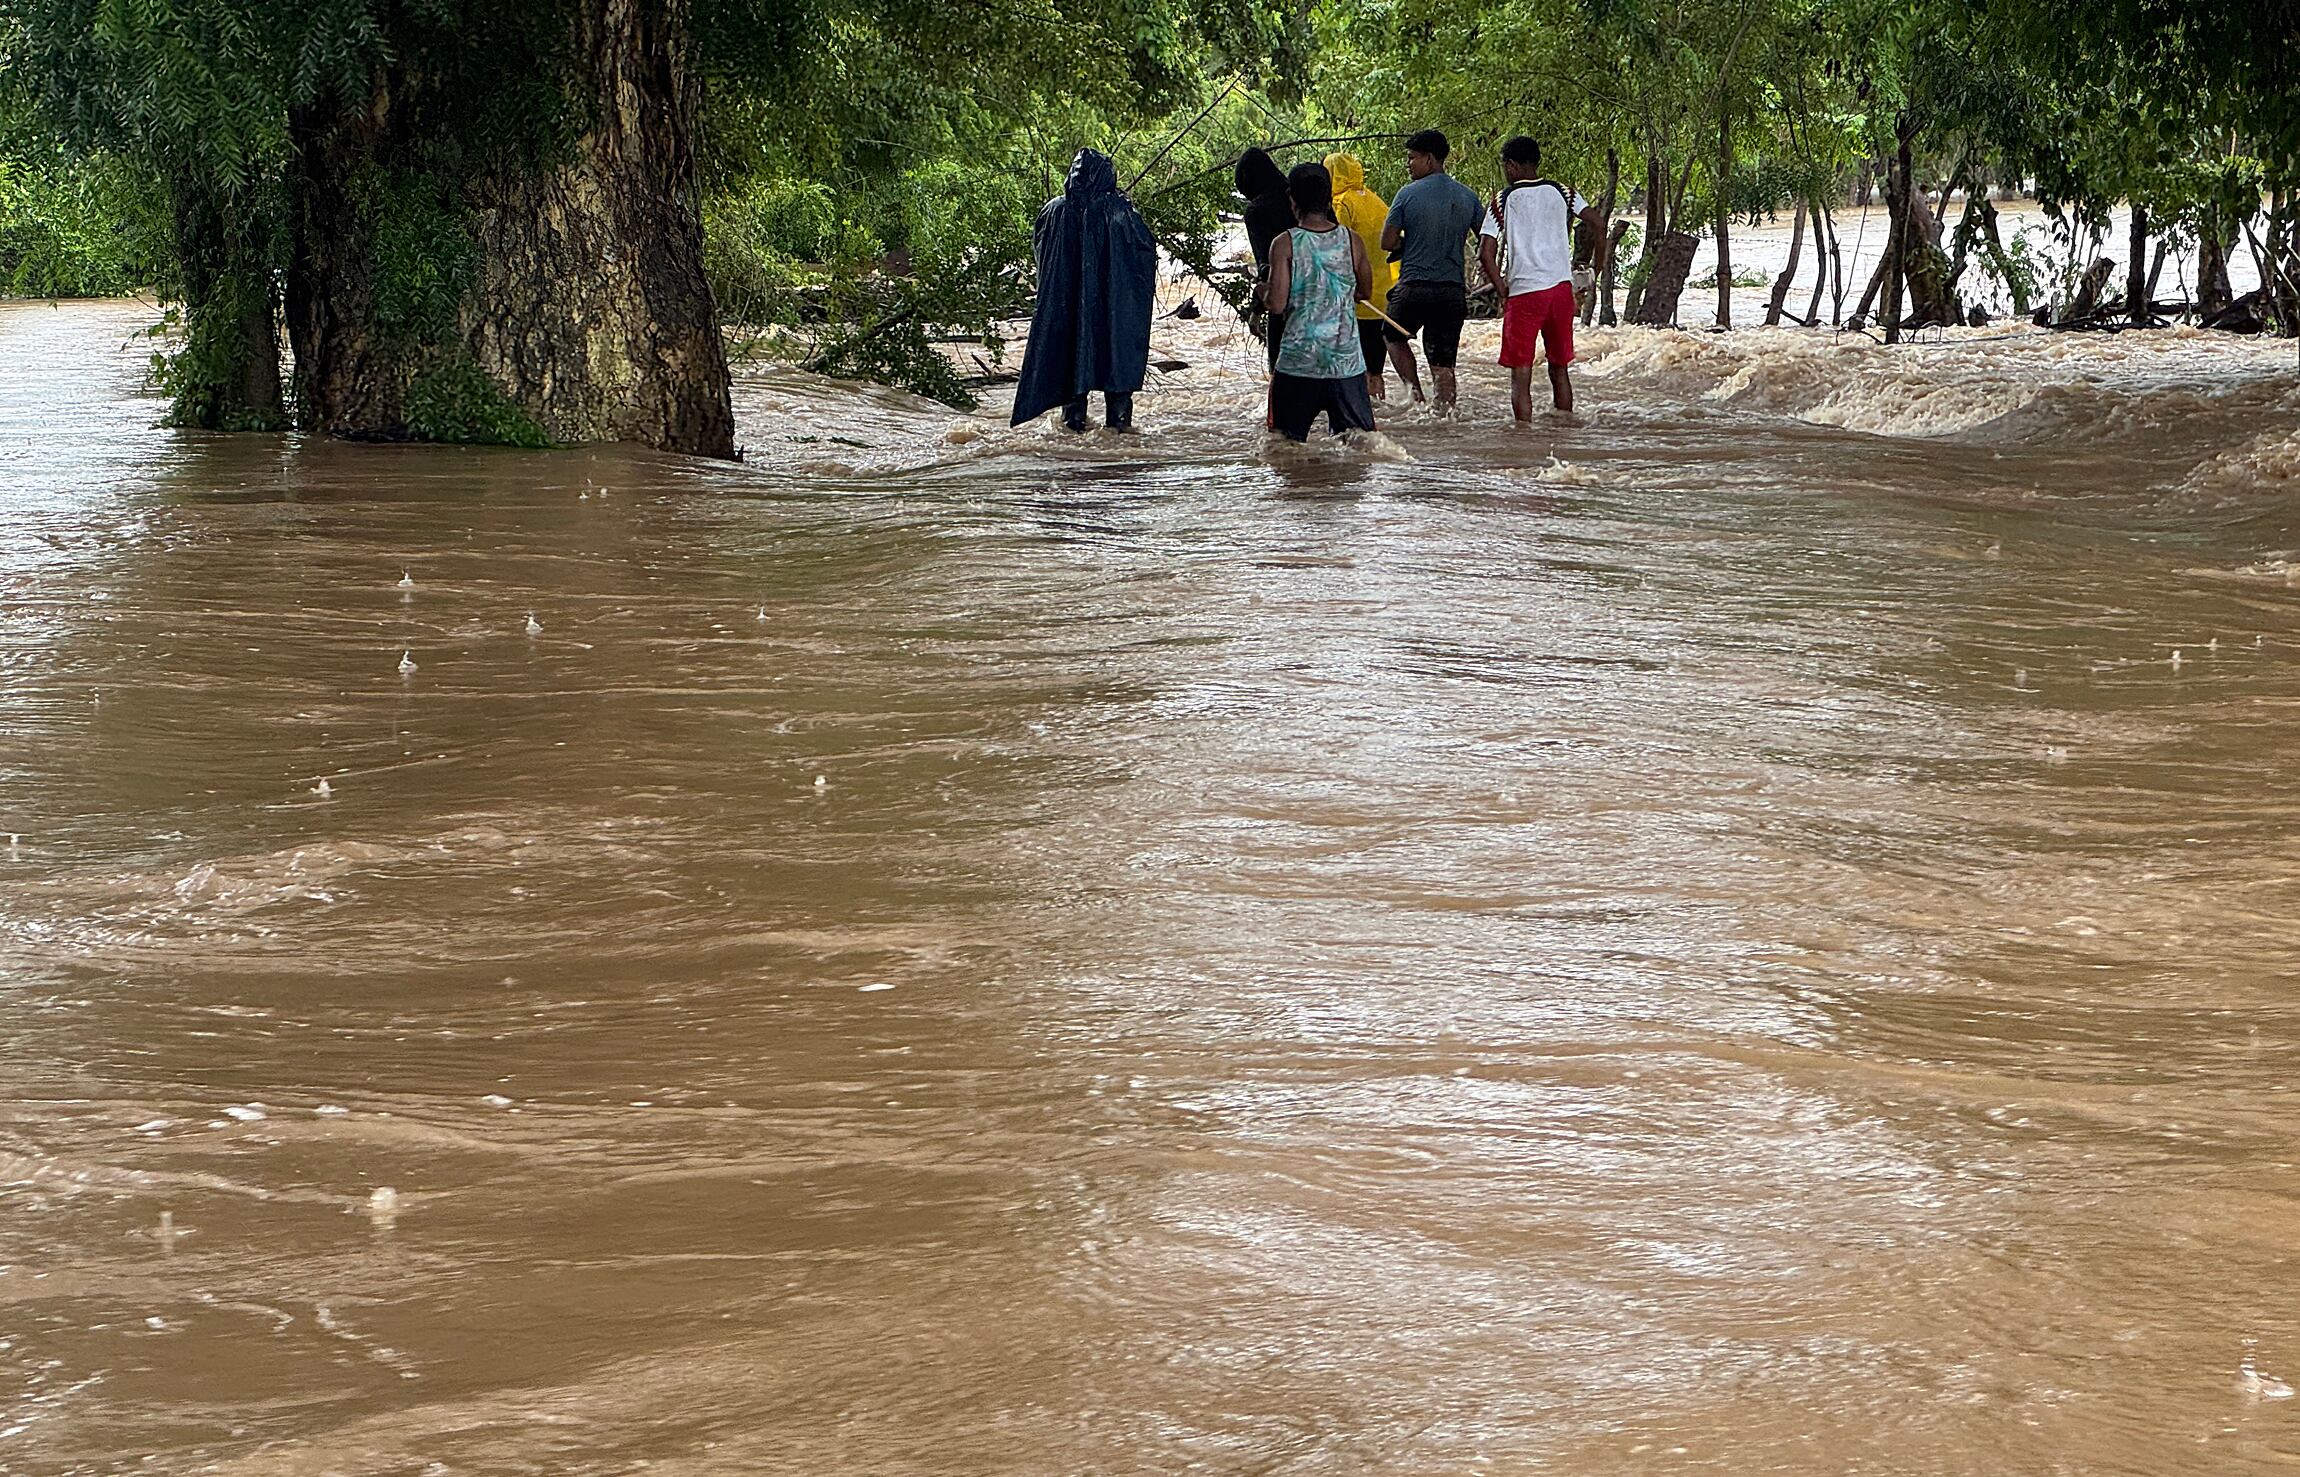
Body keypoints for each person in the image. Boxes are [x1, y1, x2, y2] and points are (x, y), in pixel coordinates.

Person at [1011, 149, 1157, 432]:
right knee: (1116, 375)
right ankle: (1120, 435)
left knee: (1072, 369)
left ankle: (1073, 431)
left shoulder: (1054, 210)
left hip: (1067, 310)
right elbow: (1144, 255)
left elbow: (1042, 256)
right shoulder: (1121, 212)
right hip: (1113, 313)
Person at [1478, 135, 1604, 419]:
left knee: (1520, 375)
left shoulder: (1504, 199)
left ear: (1511, 166)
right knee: (1559, 368)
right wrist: (1599, 266)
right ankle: (1564, 428)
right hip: (1561, 290)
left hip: (1525, 293)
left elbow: (1487, 253)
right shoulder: (1563, 192)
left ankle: (1524, 439)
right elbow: (1597, 222)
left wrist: (1501, 289)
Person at [1263, 162, 1375, 443]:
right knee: (1360, 447)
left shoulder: (1284, 243)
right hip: (1346, 366)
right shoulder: (1353, 241)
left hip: (1298, 366)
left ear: (1292, 200)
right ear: (1328, 199)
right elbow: (1365, 291)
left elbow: (1277, 304)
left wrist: (1260, 290)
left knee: (1284, 448)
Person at [1379, 129, 1487, 412]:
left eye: (1412, 158)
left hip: (1414, 287)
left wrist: (1407, 243)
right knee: (1444, 363)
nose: (1408, 164)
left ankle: (1415, 396)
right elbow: (1487, 238)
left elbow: (1386, 242)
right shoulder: (1467, 196)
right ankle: (1445, 415)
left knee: (1392, 334)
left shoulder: (1407, 195)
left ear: (1429, 159)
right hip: (1451, 291)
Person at [1324, 151, 1405, 403]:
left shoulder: (1340, 205)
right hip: (1382, 297)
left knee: (1351, 369)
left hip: (1356, 298)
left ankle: (1360, 415)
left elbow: (1338, 249)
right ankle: (1379, 411)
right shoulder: (1375, 200)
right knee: (1375, 369)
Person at [1235, 148, 1296, 371]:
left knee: (1282, 379)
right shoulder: (1297, 196)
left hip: (1286, 303)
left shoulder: (1257, 211)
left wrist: (1256, 311)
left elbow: (1267, 269)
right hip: (1329, 306)